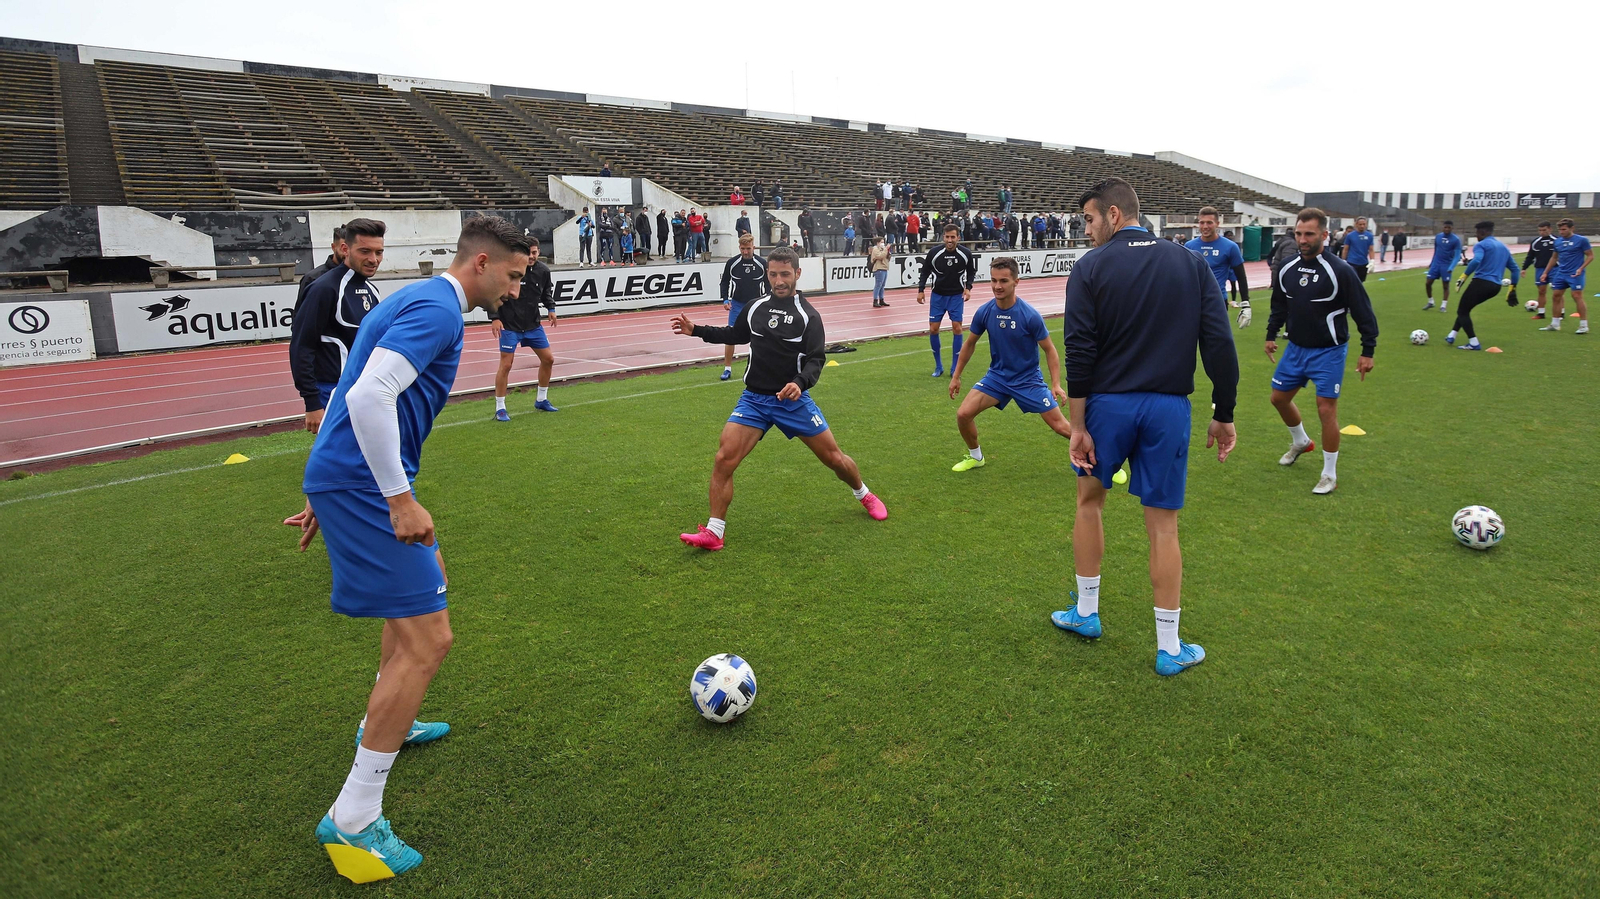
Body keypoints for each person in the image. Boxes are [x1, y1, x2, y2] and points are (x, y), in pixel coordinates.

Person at [294, 215, 530, 883]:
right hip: (368, 484)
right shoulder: (440, 311)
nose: (515, 290)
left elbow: (349, 387)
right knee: (432, 639)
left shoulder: (412, 297)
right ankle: (355, 817)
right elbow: (369, 395)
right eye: (512, 276)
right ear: (480, 262)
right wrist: (396, 497)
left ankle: (392, 712)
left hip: (350, 476)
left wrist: (324, 481)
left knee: (427, 591)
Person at [1052, 177, 1239, 677]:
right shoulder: (1191, 263)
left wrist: (1078, 423)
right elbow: (1219, 344)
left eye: (1089, 219)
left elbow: (1080, 350)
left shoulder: (1090, 267)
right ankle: (1169, 647)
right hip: (1168, 409)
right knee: (1162, 525)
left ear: (1114, 214)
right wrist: (1224, 412)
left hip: (1108, 408)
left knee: (1089, 503)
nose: (1087, 230)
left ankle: (1086, 614)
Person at [670, 246, 887, 551]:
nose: (778, 280)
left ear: (797, 274)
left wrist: (800, 383)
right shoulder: (756, 306)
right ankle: (714, 531)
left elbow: (815, 360)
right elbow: (735, 334)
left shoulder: (808, 316)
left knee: (834, 459)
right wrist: (697, 330)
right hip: (755, 400)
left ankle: (863, 492)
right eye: (773, 274)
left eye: (785, 274)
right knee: (723, 460)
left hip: (792, 401)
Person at [1265, 208, 1379, 494]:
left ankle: (1329, 474)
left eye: (1309, 234)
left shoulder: (1341, 271)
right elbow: (1279, 305)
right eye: (1299, 233)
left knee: (1326, 409)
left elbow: (1363, 312)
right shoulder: (1287, 267)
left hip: (1329, 351)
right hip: (1295, 349)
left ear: (1324, 235)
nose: (1303, 240)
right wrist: (1270, 334)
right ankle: (1302, 442)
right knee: (1279, 399)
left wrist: (1368, 350)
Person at [947, 257, 1072, 471]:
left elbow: (1050, 350)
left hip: (1028, 381)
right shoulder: (985, 312)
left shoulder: (1029, 315)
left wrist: (1056, 384)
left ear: (1016, 281)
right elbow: (969, 344)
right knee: (963, 414)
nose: (997, 286)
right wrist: (956, 375)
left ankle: (1107, 460)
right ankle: (976, 457)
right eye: (994, 280)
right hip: (997, 378)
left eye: (1004, 281)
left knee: (1061, 427)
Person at [290, 219, 386, 435]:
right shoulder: (323, 288)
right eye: (365, 251)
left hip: (362, 391)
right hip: (332, 392)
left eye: (379, 252)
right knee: (338, 460)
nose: (373, 259)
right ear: (345, 249)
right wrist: (312, 403)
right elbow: (301, 345)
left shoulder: (372, 289)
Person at [492, 237, 559, 419]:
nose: (531, 256)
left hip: (533, 326)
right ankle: (500, 408)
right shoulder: (509, 270)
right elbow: (493, 294)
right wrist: (495, 318)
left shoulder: (543, 271)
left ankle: (541, 399)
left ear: (538, 252)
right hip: (510, 326)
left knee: (549, 359)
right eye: (528, 252)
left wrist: (551, 309)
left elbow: (546, 292)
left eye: (534, 252)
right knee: (506, 365)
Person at [1442, 221, 1519, 348]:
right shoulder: (1503, 247)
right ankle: (1452, 335)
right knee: (1465, 308)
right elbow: (1515, 270)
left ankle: (1473, 343)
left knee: (1462, 311)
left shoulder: (1481, 245)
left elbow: (1477, 260)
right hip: (1496, 287)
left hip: (1481, 283)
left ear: (1482, 232)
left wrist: (1464, 276)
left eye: (1477, 233)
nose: (1476, 236)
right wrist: (1512, 288)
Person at [916, 223, 976, 378]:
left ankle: (955, 367)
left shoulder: (965, 253)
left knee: (957, 328)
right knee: (934, 329)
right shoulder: (934, 253)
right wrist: (921, 290)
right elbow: (925, 271)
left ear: (958, 238)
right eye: (947, 237)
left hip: (956, 296)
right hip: (938, 296)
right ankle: (938, 366)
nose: (950, 240)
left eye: (953, 237)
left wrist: (968, 288)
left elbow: (971, 272)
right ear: (943, 237)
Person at [1185, 207, 1251, 326]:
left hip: (1218, 301)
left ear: (1217, 224)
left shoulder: (1230, 247)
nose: (1205, 226)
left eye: (1209, 222)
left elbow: (1241, 276)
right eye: (1202, 222)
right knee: (1188, 342)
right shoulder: (1189, 246)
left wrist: (1246, 303)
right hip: (1193, 301)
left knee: (1215, 343)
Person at [718, 234, 769, 380]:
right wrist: (725, 299)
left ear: (753, 247)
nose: (745, 252)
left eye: (748, 248)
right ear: (739, 247)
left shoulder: (761, 263)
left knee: (758, 337)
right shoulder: (732, 263)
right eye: (742, 249)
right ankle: (727, 368)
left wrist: (768, 300)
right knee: (730, 336)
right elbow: (724, 282)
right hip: (737, 304)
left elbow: (768, 284)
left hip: (756, 305)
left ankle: (759, 368)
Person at [1539, 218, 1592, 333]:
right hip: (1561, 273)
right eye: (1560, 230)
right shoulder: (1558, 241)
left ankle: (1583, 325)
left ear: (1572, 228)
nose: (1561, 232)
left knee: (1577, 296)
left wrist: (1581, 268)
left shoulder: (1582, 240)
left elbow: (1590, 256)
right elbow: (1554, 257)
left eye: (1564, 229)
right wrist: (1545, 273)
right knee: (1556, 296)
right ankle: (1555, 324)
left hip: (1575, 273)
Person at [297, 225, 347, 310]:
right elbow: (301, 316)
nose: (347, 253)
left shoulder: (359, 276)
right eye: (343, 249)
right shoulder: (313, 278)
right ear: (333, 247)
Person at [1422, 220, 1462, 312]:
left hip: (1446, 265)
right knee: (1428, 283)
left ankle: (1443, 306)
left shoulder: (1455, 240)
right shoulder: (1438, 237)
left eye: (1449, 227)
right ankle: (1431, 302)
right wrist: (1432, 263)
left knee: (1445, 286)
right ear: (1443, 227)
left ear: (1452, 228)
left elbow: (1457, 256)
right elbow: (1436, 251)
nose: (1447, 229)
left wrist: (1451, 267)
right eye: (1445, 227)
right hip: (1436, 264)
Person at [1523, 221, 1556, 319]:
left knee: (1557, 291)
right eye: (1540, 230)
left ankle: (1561, 312)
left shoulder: (1557, 241)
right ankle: (1541, 313)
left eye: (1544, 230)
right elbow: (1530, 256)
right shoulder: (1535, 242)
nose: (1542, 232)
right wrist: (1524, 268)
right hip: (1540, 269)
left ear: (1550, 229)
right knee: (1541, 291)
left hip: (1556, 268)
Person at [1341, 216, 1376, 282]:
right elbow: (1346, 249)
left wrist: (1372, 261)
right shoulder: (1350, 235)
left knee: (1361, 282)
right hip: (1352, 262)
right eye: (1360, 224)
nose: (1362, 226)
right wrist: (1344, 260)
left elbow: (1371, 249)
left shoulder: (1369, 235)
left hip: (1363, 263)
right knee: (1351, 281)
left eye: (1364, 224)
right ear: (1356, 224)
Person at [868, 237, 891, 307]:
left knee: (882, 285)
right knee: (878, 285)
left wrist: (888, 252)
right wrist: (886, 249)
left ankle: (881, 299)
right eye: (881, 242)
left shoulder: (883, 249)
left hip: (884, 268)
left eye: (883, 242)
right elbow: (880, 256)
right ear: (877, 243)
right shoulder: (875, 249)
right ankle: (875, 300)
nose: (883, 243)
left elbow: (887, 257)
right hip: (879, 268)